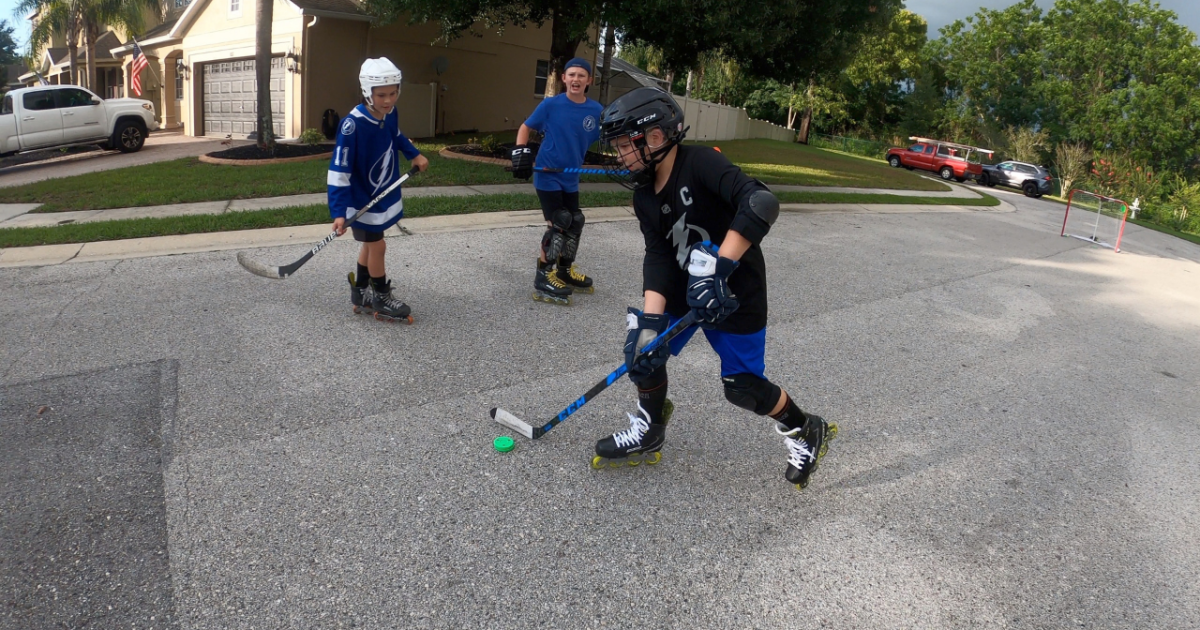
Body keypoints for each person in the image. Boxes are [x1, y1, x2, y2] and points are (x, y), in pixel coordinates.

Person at [591, 87, 837, 489]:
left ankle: (806, 428)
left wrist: (719, 269)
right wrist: (649, 323)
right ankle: (649, 428)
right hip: (683, 288)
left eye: (623, 146)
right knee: (643, 353)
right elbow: (658, 256)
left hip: (735, 290)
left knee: (742, 389)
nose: (619, 156)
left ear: (655, 137)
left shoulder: (701, 163)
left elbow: (760, 202)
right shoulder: (643, 196)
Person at [329, 57, 429, 323]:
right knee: (378, 246)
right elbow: (339, 171)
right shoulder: (351, 126)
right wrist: (338, 211)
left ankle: (360, 290)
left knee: (371, 243)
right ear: (367, 91)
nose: (388, 100)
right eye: (381, 95)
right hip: (361, 199)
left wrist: (414, 154)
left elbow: (396, 136)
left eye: (393, 93)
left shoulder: (390, 114)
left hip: (381, 192)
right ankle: (382, 297)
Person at [510, 57, 604, 306]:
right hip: (547, 173)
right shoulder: (551, 105)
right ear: (564, 78)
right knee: (559, 223)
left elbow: (611, 136)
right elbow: (525, 127)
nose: (576, 79)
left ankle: (563, 271)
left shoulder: (596, 111)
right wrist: (520, 152)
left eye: (581, 75)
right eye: (571, 75)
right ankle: (543, 276)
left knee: (575, 222)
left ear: (589, 81)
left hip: (570, 176)